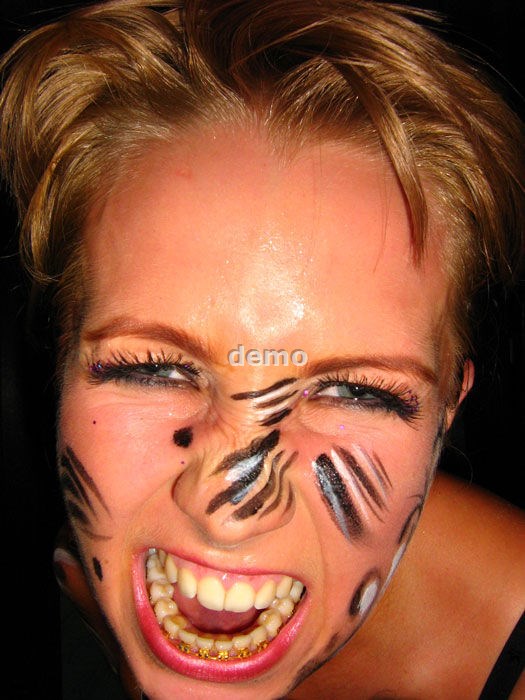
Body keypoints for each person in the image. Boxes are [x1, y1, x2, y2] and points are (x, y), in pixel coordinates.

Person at [1, 0, 524, 697]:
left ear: (447, 411)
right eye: (155, 369)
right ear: (63, 354)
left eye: (354, 391)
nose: (228, 513)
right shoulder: (72, 570)